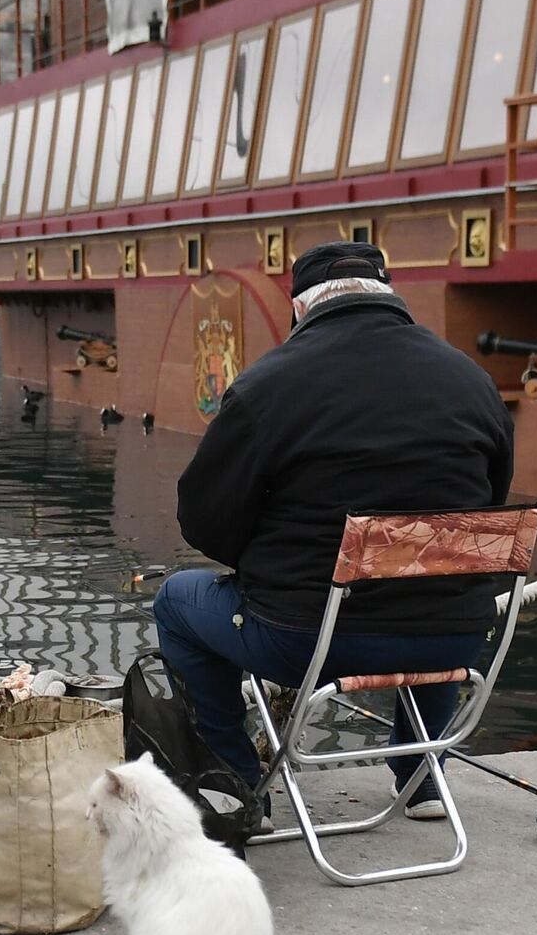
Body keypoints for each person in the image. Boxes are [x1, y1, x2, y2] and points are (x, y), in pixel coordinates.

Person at [156, 241, 514, 822]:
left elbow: (203, 521)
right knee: (436, 582)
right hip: (455, 639)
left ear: (300, 308)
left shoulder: (266, 386)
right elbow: (488, 503)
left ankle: (241, 782)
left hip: (305, 640)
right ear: (389, 294)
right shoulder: (472, 380)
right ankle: (422, 780)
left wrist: (257, 562)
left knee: (176, 600)